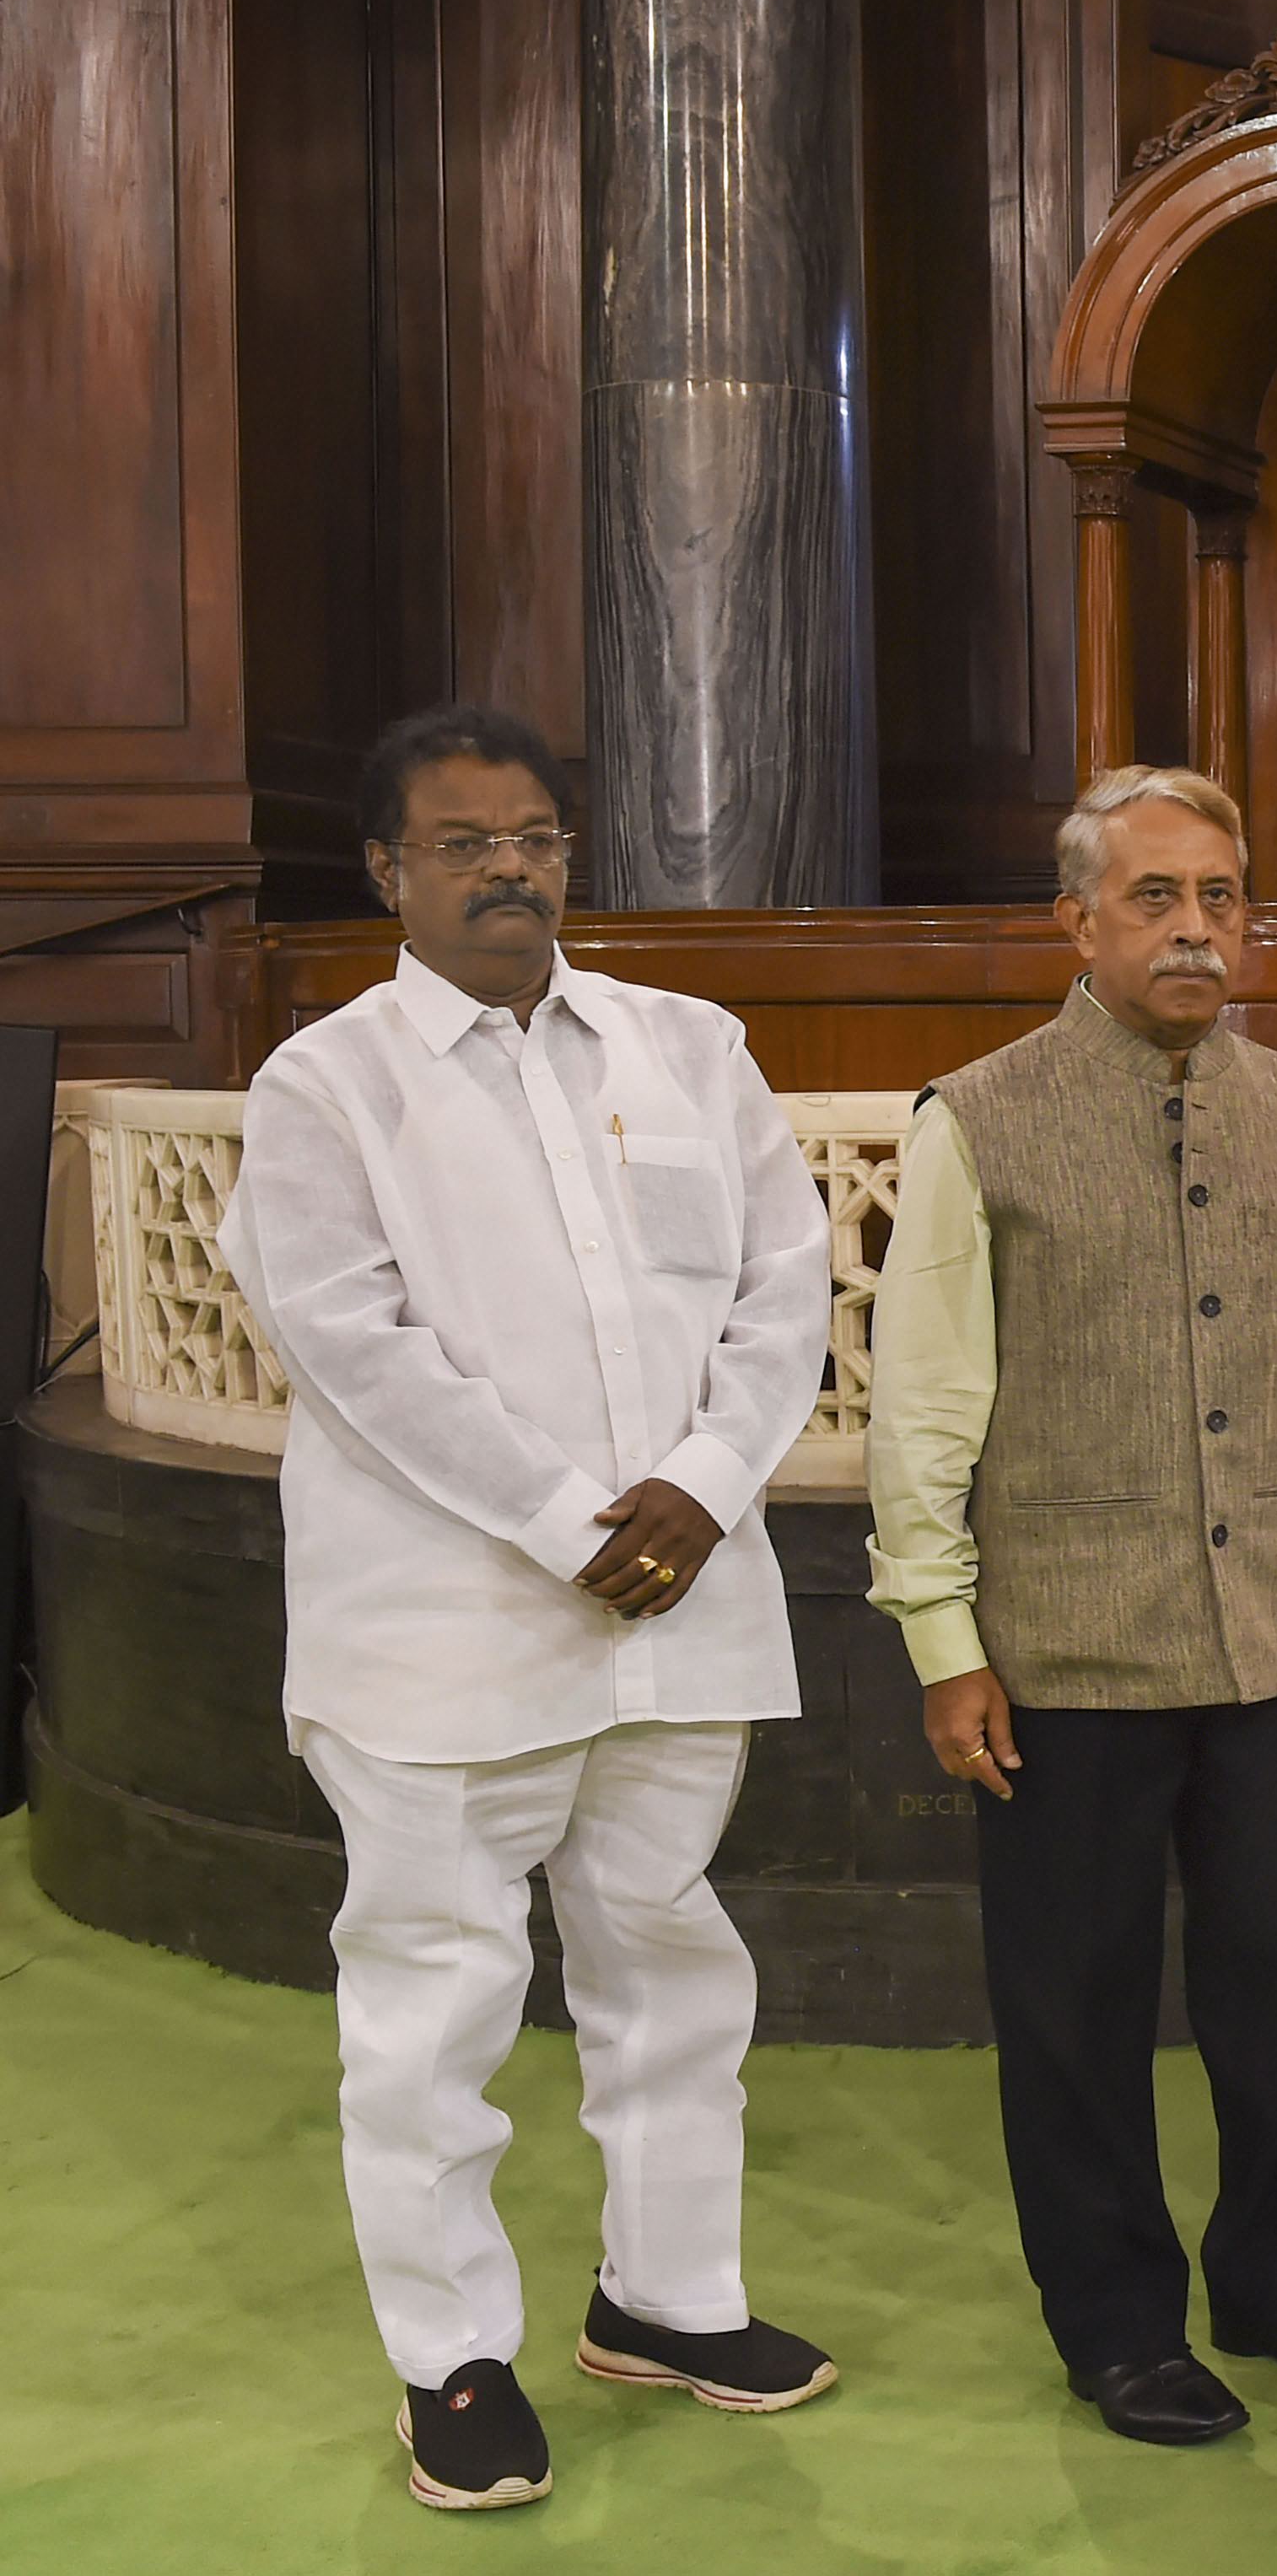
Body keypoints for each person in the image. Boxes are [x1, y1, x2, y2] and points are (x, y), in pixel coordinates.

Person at [218, 706, 839, 2513]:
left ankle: (670, 2297)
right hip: (442, 1626)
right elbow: (352, 1349)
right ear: (387, 872)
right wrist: (577, 1521)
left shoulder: (688, 1045)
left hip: (678, 1601)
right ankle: (452, 2360)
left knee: (673, 1967)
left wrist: (706, 1490)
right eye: (466, 840)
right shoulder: (326, 1086)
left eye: (539, 835)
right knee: (434, 2003)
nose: (510, 865)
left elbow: (782, 1291)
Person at [865, 765, 1277, 2449]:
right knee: (1076, 2000)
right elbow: (923, 1406)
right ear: (1075, 917)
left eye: (1222, 897)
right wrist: (946, 1639)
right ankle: (1117, 2323)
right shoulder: (978, 1116)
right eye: (1155, 898)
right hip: (1062, 1641)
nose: (1196, 929)